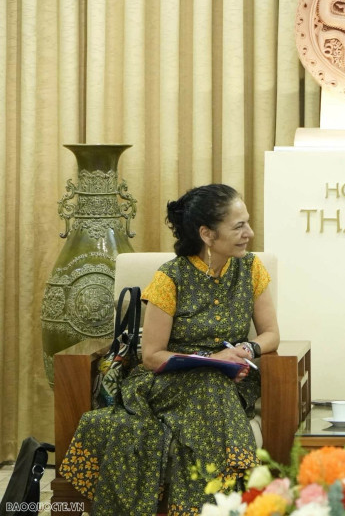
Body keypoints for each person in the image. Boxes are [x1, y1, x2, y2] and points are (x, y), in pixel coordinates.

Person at [60, 184, 280, 515]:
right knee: (209, 385)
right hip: (167, 383)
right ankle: (228, 492)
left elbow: (272, 334)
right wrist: (210, 359)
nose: (249, 233)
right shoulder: (170, 279)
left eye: (247, 223)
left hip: (231, 381)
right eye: (238, 226)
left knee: (214, 387)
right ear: (207, 234)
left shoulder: (250, 269)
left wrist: (247, 349)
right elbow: (151, 356)